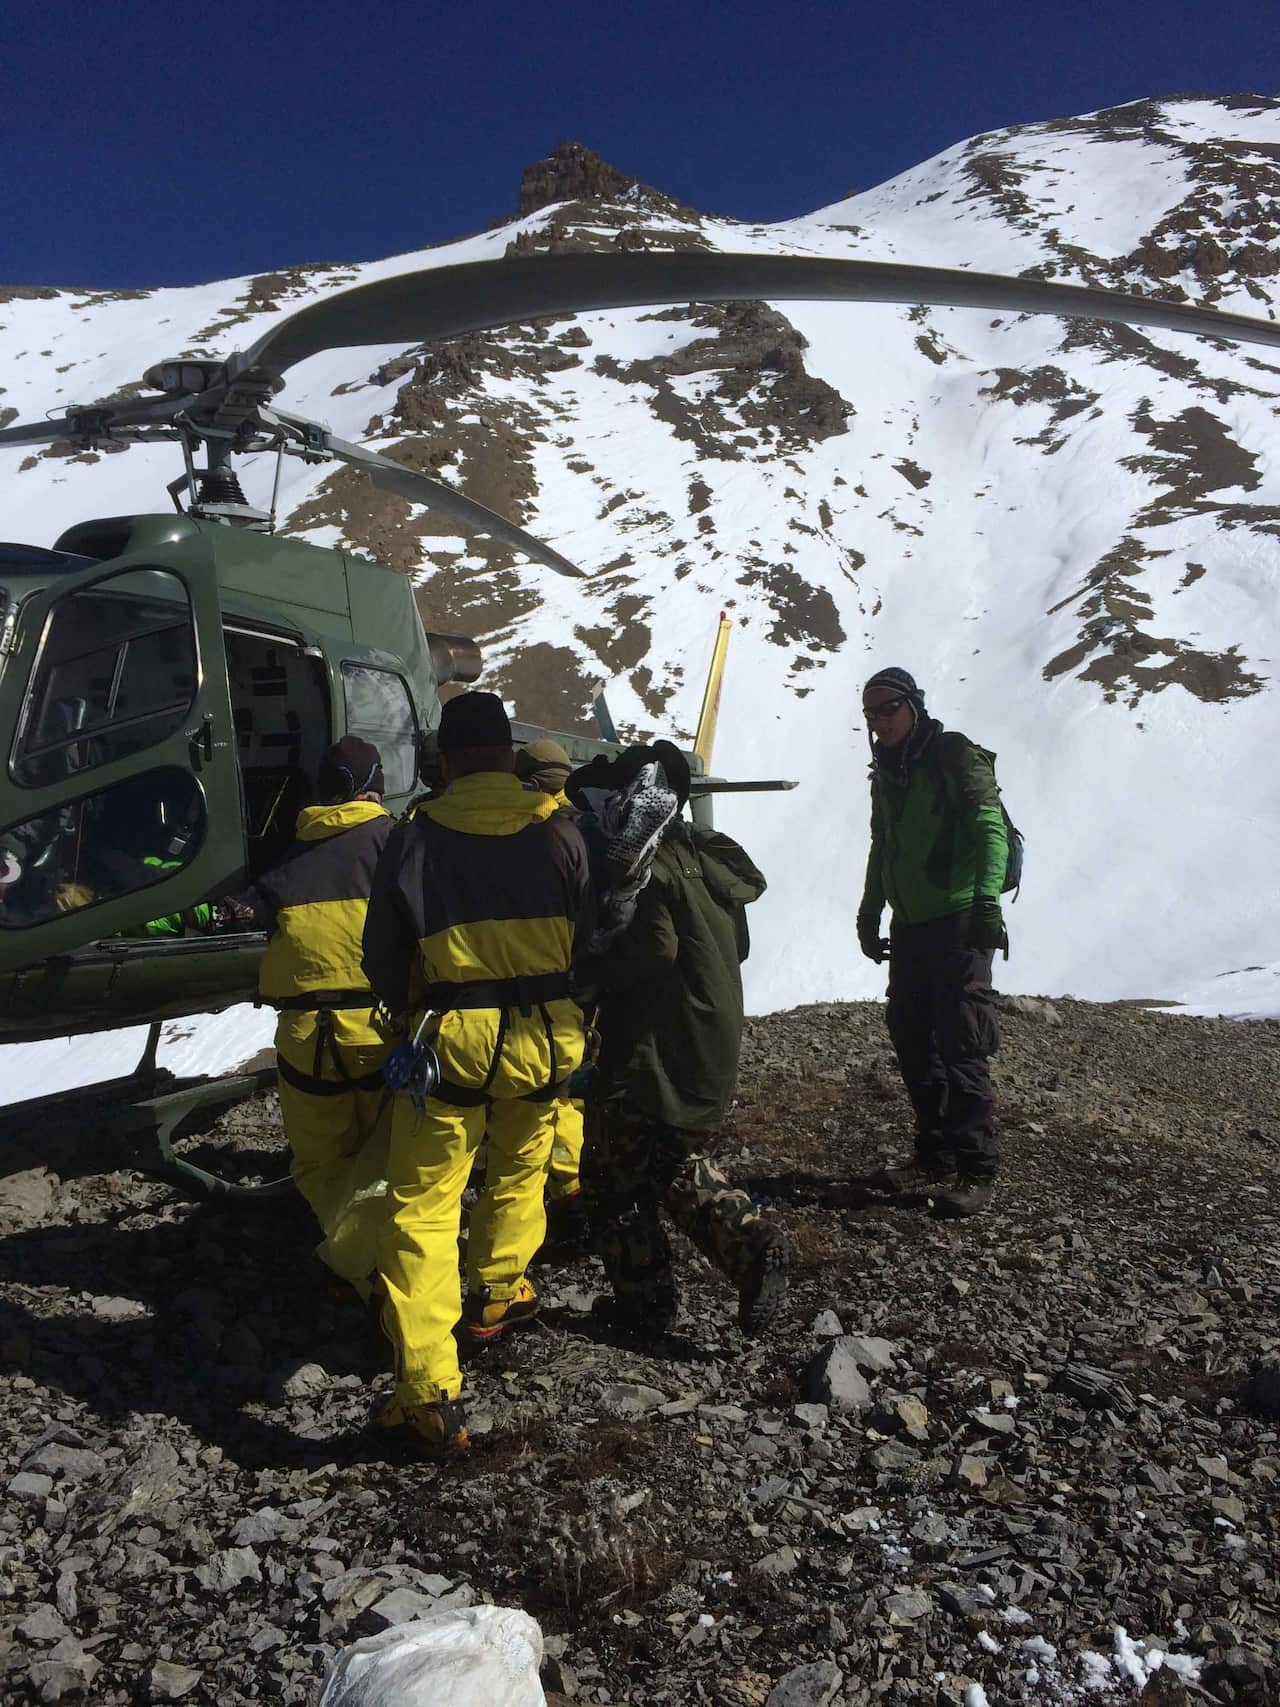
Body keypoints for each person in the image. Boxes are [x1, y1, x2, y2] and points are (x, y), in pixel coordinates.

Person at [362, 692, 591, 1460]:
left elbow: (383, 957)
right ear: (508, 752)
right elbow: (588, 933)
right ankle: (498, 1288)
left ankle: (429, 1389)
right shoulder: (560, 828)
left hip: (453, 1041)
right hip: (547, 1038)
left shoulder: (416, 836)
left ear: (450, 758)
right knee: (522, 1163)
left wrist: (411, 1013)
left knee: (423, 1205)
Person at [569, 741, 789, 1343]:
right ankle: (751, 1246)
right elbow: (734, 947)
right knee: (665, 1160)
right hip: (709, 1037)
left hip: (655, 1047)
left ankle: (649, 1304)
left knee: (614, 1177)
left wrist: (590, 973)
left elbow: (656, 949)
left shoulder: (645, 866)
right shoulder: (706, 856)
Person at [242, 736, 395, 1296]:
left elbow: (248, 913)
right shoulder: (393, 842)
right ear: (373, 782)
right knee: (386, 1150)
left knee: (319, 1160)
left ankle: (357, 1261)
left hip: (306, 1034)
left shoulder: (290, 853)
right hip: (377, 1029)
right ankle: (375, 1266)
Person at [856, 667, 1007, 1217]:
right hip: (912, 924)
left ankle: (976, 1170)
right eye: (870, 713)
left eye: (887, 709)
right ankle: (935, 1155)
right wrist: (871, 911)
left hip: (960, 918)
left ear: (913, 706)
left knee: (962, 1042)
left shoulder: (953, 756)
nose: (878, 721)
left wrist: (987, 902)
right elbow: (883, 847)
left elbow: (989, 827)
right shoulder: (886, 772)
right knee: (913, 1038)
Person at [516, 737, 588, 1246]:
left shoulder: (524, 830)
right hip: (575, 987)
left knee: (541, 1100)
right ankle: (572, 1184)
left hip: (523, 989)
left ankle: (560, 1189)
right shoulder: (582, 830)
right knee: (568, 1096)